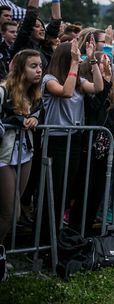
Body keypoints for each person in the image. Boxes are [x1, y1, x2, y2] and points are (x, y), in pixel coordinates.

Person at [38, 39, 103, 244]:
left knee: (66, 190)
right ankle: (41, 240)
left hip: (74, 139)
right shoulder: (49, 78)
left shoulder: (78, 80)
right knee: (53, 191)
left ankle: (55, 238)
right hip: (55, 139)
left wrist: (92, 61)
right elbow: (65, 93)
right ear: (67, 57)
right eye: (76, 54)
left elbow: (98, 87)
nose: (79, 57)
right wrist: (75, 64)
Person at [0, 49, 42, 273]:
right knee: (11, 212)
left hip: (25, 153)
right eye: (33, 66)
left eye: (40, 67)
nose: (38, 70)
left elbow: (39, 112)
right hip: (3, 155)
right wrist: (14, 121)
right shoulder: (3, 90)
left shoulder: (35, 93)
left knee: (11, 212)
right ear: (20, 68)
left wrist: (34, 117)